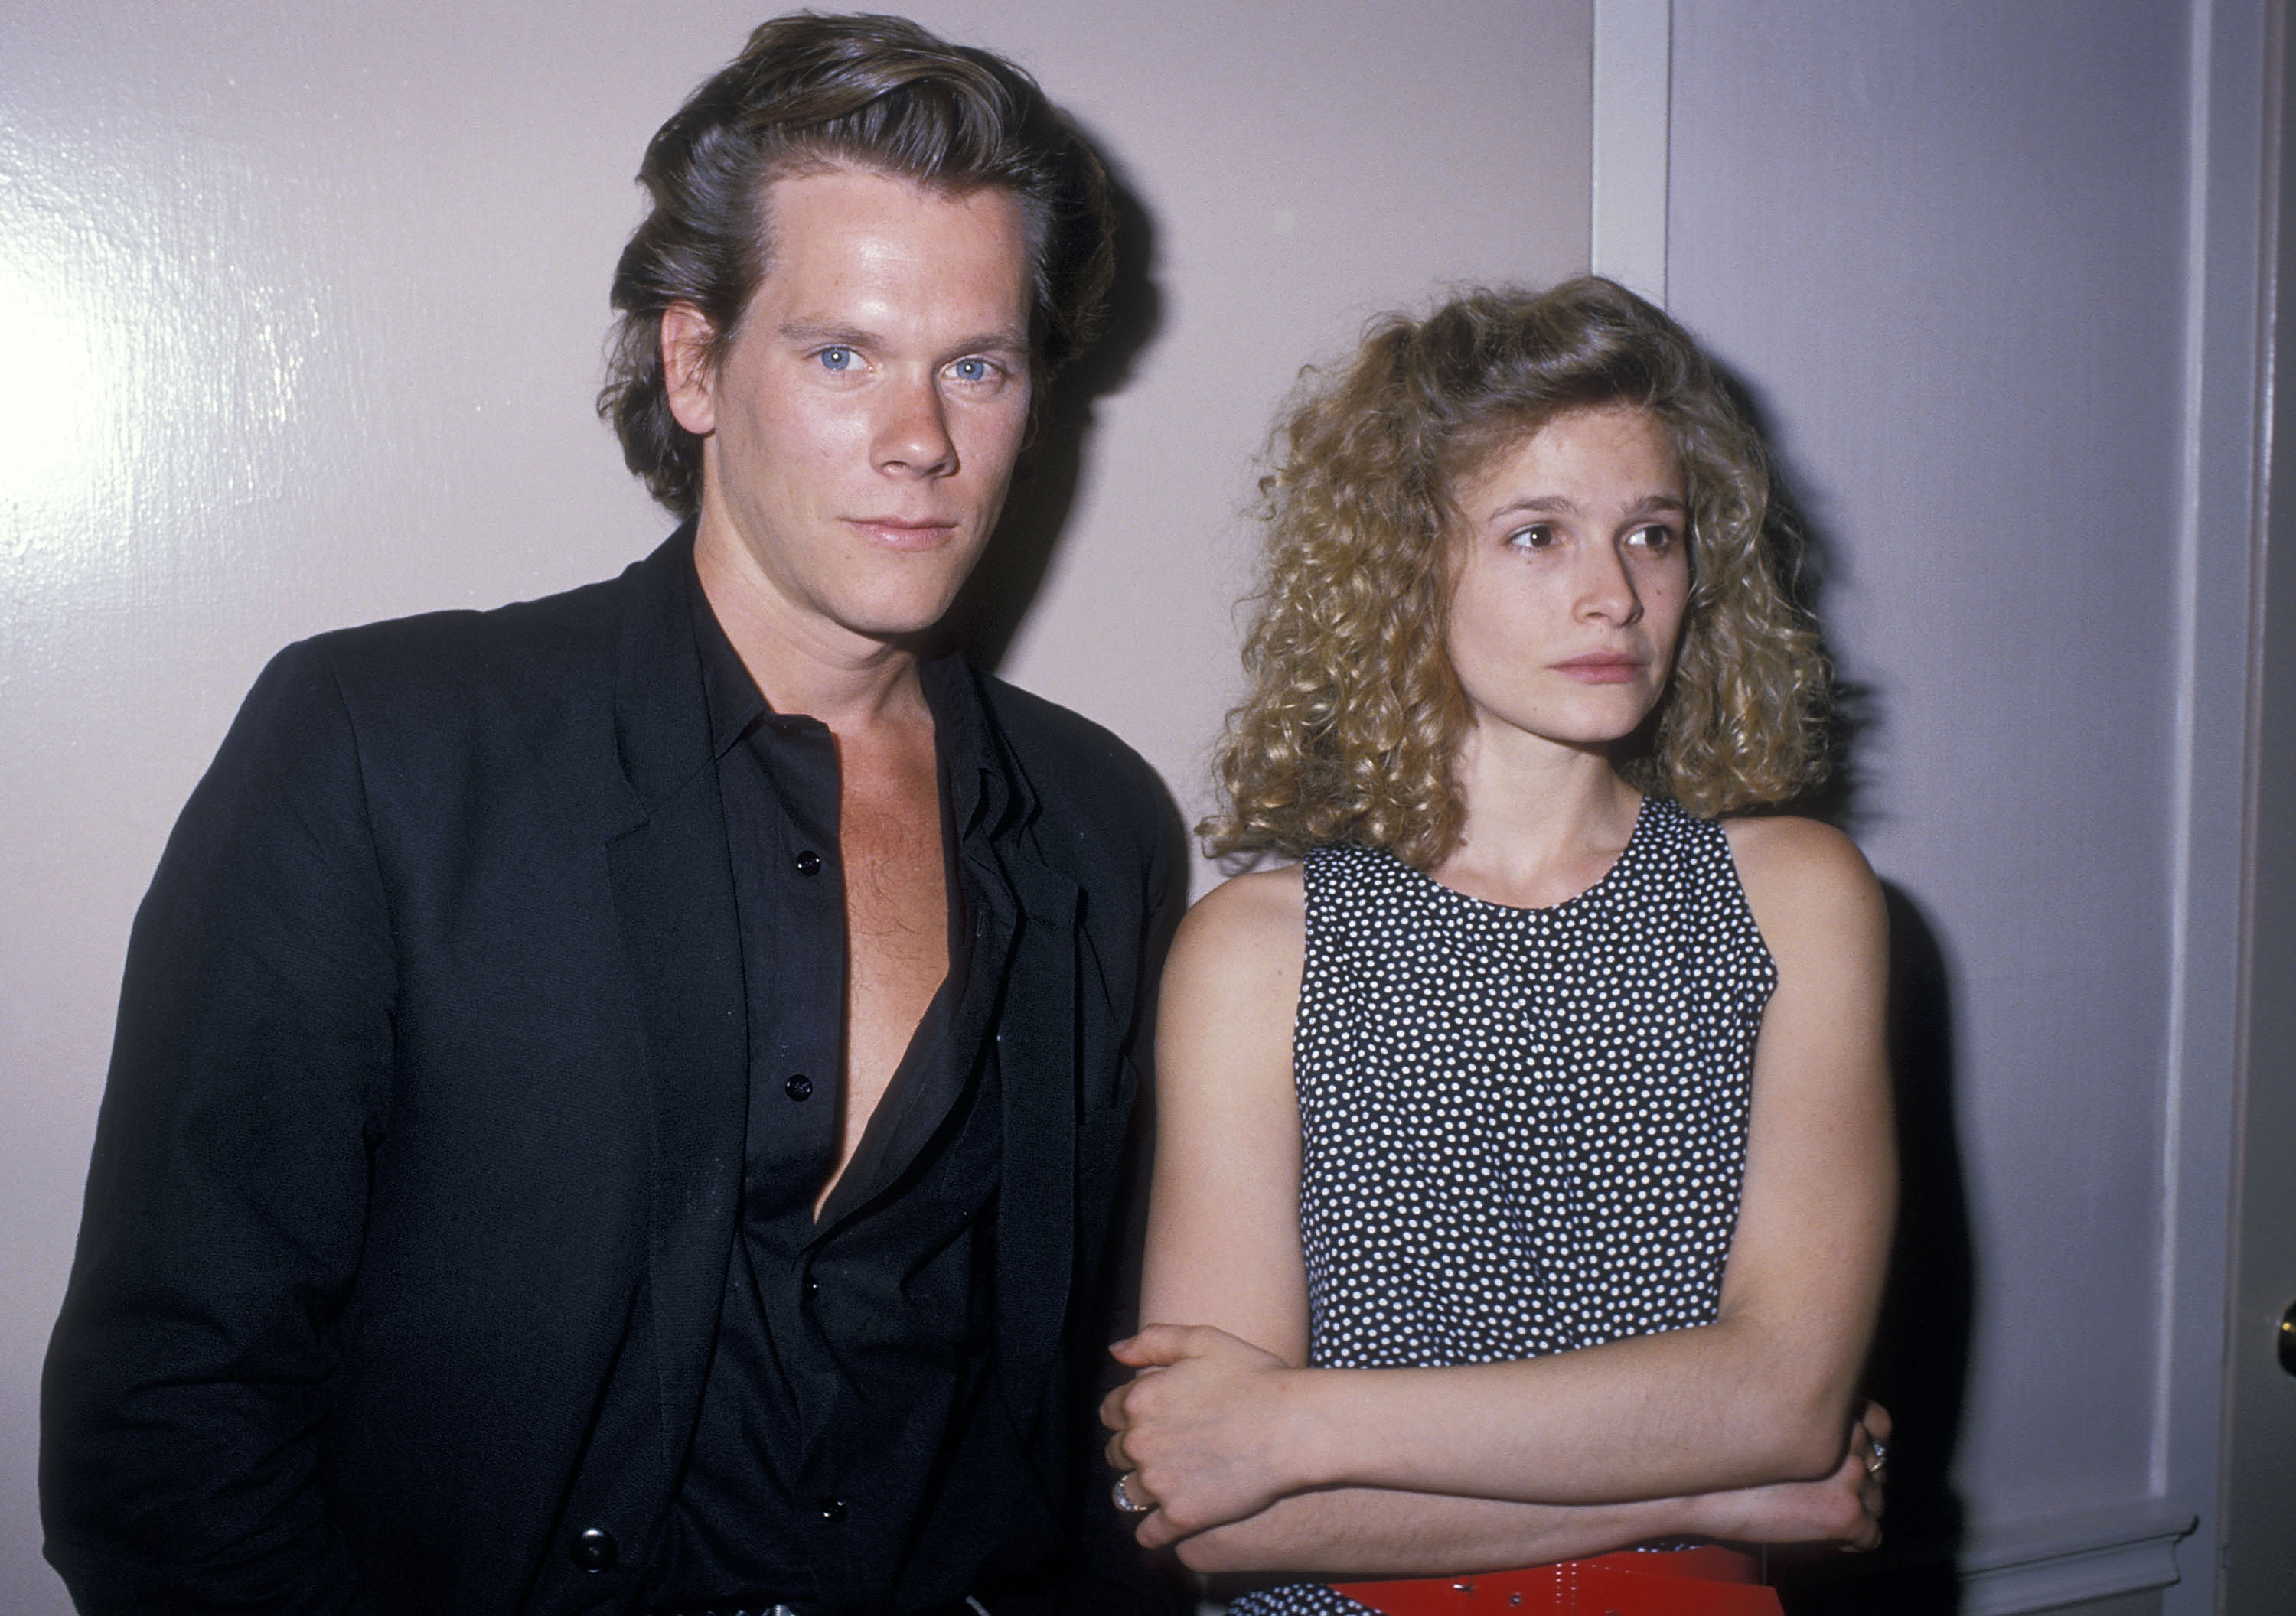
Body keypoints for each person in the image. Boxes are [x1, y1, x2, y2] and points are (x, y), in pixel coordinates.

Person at [41, 15, 1183, 1616]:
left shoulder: (1096, 822)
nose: (922, 441)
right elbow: (165, 1430)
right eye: (841, 354)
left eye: (977, 366)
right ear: (696, 362)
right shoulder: (385, 751)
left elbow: (1092, 1417)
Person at [1099, 279, 1895, 1614]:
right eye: (1537, 536)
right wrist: (1708, 1487)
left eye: (1654, 534)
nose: (1614, 596)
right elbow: (1213, 1520)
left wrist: (1299, 1430)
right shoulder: (1257, 951)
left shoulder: (1792, 899)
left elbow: (1787, 1397)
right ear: (1406, 566)